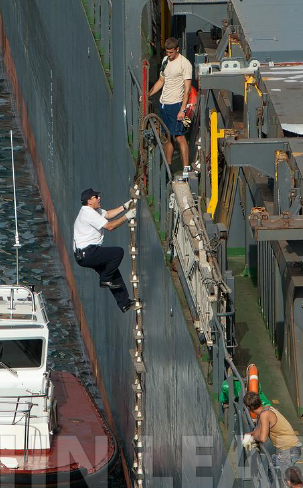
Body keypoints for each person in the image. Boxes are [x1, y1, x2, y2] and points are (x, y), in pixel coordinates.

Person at [73, 188, 139, 313]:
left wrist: (124, 207)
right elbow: (110, 226)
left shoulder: (94, 210)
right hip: (87, 253)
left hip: (87, 253)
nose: (99, 198)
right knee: (117, 253)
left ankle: (124, 303)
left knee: (114, 273)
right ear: (89, 201)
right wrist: (127, 217)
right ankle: (104, 279)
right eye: (96, 197)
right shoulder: (88, 213)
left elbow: (107, 214)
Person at [146, 37, 192, 173]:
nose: (169, 55)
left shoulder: (185, 64)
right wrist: (148, 94)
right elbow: (161, 80)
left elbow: (187, 89)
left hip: (176, 104)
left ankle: (185, 169)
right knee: (167, 137)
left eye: (171, 52)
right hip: (164, 104)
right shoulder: (166, 61)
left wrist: (182, 110)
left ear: (177, 49)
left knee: (179, 137)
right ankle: (168, 167)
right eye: (167, 52)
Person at [244, 391, 302, 488]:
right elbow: (260, 430)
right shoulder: (267, 409)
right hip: (288, 450)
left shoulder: (265, 415)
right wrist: (250, 434)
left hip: (289, 450)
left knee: (287, 481)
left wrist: (251, 438)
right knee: (270, 469)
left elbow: (262, 438)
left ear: (248, 408)